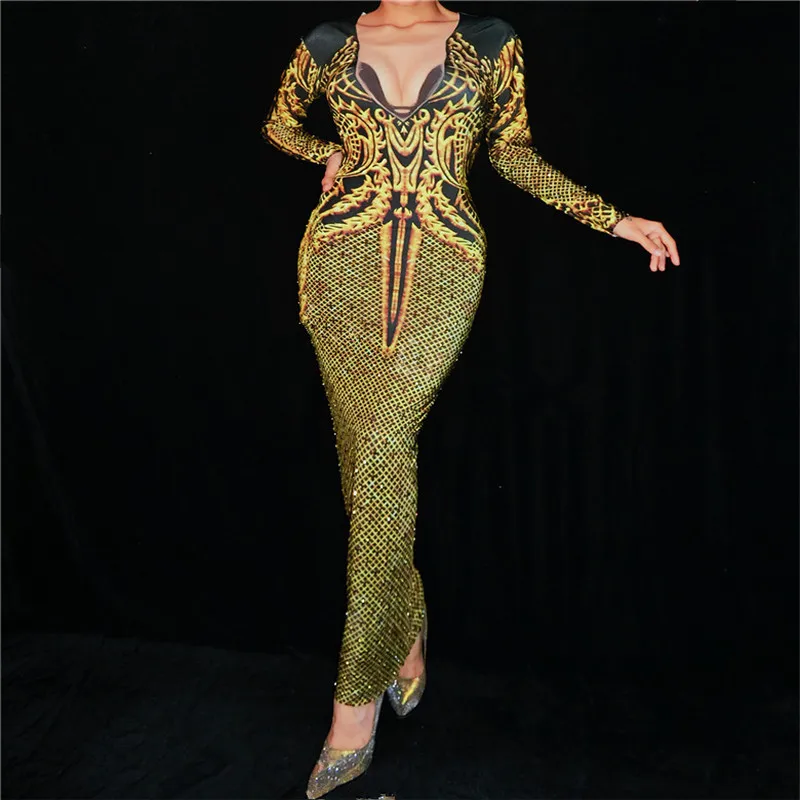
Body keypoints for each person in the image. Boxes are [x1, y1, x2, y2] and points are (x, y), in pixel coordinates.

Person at [262, 2, 680, 797]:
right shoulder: (327, 43)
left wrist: (615, 219)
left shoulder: (491, 43)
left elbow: (512, 154)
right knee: (364, 465)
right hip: (337, 262)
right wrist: (327, 150)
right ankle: (406, 627)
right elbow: (279, 125)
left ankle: (354, 703)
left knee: (383, 452)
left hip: (444, 262)